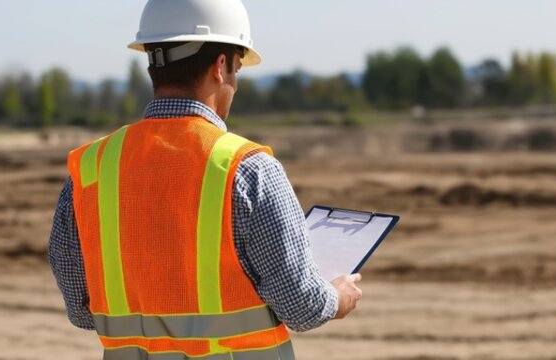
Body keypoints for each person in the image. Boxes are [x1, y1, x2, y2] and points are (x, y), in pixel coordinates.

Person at [46, 0, 361, 358]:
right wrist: (336, 297)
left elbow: (81, 308)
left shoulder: (91, 169)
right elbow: (301, 306)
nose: (235, 83)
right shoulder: (248, 169)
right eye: (237, 69)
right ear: (221, 65)